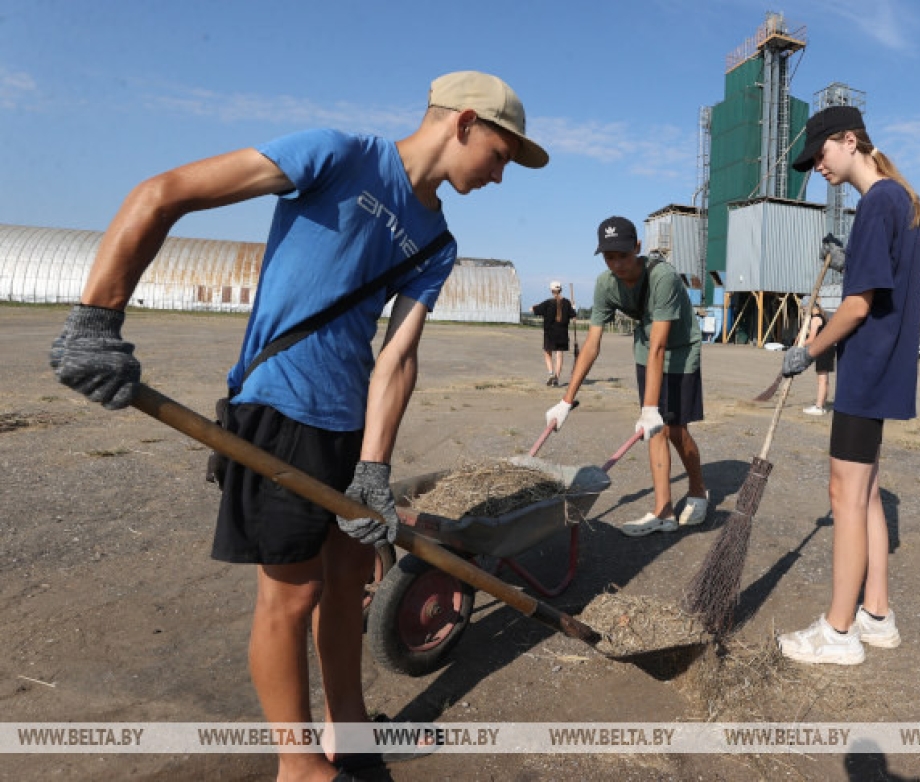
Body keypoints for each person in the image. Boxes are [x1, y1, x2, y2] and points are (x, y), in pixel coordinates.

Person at [51, 71, 548, 780]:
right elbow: (163, 192)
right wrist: (97, 318)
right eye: (502, 155)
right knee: (290, 597)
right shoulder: (338, 154)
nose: (501, 176)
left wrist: (374, 468)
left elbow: (397, 358)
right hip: (279, 409)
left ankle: (348, 735)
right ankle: (299, 765)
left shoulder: (438, 242)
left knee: (347, 582)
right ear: (464, 122)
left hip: (347, 431)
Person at [775, 105, 920, 665]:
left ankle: (837, 632)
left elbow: (859, 307)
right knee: (866, 494)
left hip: (865, 372)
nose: (818, 166)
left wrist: (807, 351)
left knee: (844, 494)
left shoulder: (876, 203)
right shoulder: (896, 199)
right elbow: (877, 282)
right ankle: (877, 615)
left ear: (849, 140)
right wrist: (848, 261)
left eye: (821, 154)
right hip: (885, 370)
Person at [545, 216, 709, 536]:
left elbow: (661, 346)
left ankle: (698, 489)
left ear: (637, 248)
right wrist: (566, 400)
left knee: (674, 428)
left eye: (623, 255)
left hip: (679, 350)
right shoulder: (606, 284)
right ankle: (664, 512)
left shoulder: (663, 277)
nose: (617, 264)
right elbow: (592, 345)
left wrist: (650, 409)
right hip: (646, 349)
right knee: (654, 432)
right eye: (609, 257)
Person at [531, 280, 575, 386]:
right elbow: (573, 315)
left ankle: (551, 373)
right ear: (560, 290)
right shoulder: (567, 303)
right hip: (563, 333)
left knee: (547, 352)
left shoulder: (548, 303)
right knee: (559, 355)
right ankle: (556, 377)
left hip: (550, 333)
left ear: (551, 290)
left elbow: (535, 310)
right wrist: (573, 308)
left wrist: (532, 307)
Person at [803, 301, 835, 415]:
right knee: (824, 378)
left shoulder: (815, 319)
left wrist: (799, 344)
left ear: (810, 306)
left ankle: (819, 407)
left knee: (822, 379)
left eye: (804, 307)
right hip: (829, 348)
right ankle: (823, 404)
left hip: (823, 349)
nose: (803, 310)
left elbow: (812, 338)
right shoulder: (824, 317)